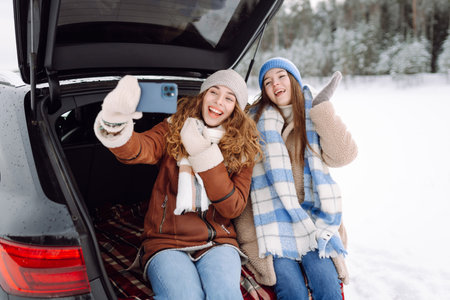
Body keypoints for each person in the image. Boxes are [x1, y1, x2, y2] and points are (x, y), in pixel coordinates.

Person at [93, 69, 262, 300]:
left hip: (217, 242)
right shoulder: (174, 127)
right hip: (166, 242)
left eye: (229, 98)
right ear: (203, 95)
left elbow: (232, 207)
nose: (218, 102)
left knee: (225, 295)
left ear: (236, 108)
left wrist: (203, 154)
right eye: (214, 92)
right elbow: (138, 149)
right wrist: (115, 123)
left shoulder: (243, 147)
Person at [234, 57, 358, 300]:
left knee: (328, 288)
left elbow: (344, 155)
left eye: (281, 76)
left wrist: (322, 109)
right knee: (292, 292)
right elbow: (241, 172)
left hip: (312, 223)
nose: (275, 83)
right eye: (267, 81)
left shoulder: (313, 117)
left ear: (294, 79)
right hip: (273, 226)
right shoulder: (253, 123)